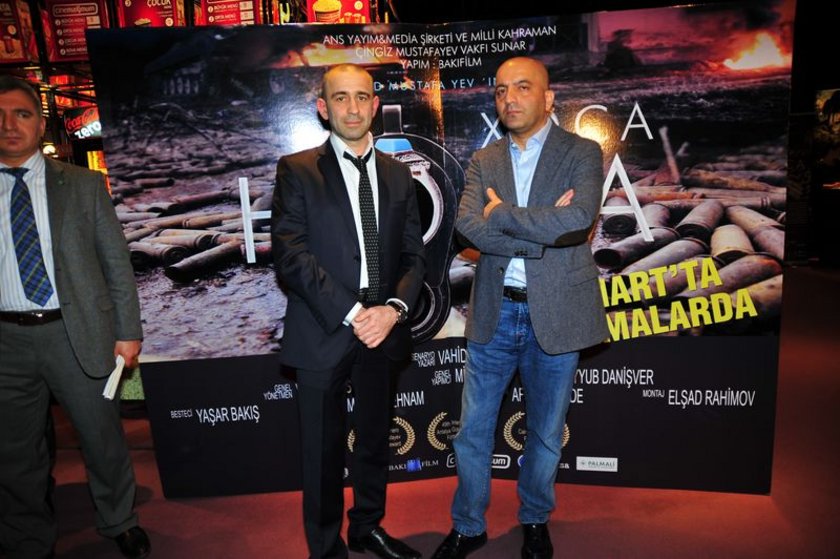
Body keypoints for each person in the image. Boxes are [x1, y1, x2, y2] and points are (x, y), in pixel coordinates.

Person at [431, 56, 609, 559]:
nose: (509, 98)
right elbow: (468, 226)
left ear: (548, 98)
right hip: (495, 312)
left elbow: (577, 220)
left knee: (546, 433)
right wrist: (538, 235)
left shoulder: (582, 151)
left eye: (522, 87)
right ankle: (468, 526)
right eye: (501, 90)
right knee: (472, 433)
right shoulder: (484, 159)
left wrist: (502, 215)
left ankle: (534, 520)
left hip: (557, 312)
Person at [271, 64, 425, 559]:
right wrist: (356, 312)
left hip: (384, 330)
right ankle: (325, 548)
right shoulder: (297, 170)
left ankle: (367, 528)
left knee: (375, 440)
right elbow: (291, 255)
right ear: (323, 108)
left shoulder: (399, 174)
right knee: (321, 450)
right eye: (341, 98)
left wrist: (393, 309)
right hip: (324, 328)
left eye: (362, 97)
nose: (353, 108)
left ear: (375, 106)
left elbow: (414, 256)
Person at [0, 76, 150, 559]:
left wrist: (128, 331)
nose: (9, 125)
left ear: (40, 123)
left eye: (21, 114)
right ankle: (28, 538)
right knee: (14, 452)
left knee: (102, 437)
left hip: (78, 333)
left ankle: (119, 519)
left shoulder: (83, 185)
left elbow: (116, 263)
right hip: (6, 342)